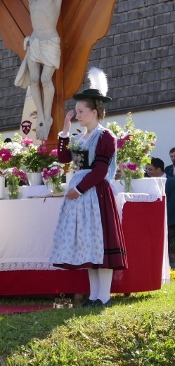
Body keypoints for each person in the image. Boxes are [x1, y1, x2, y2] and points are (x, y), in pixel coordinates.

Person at [0, 0, 101, 139]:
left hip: (50, 42)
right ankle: (41, 117)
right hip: (34, 41)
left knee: (45, 78)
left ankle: (47, 116)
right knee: (34, 79)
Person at [51, 68, 127, 307]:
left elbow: (101, 170)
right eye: (77, 112)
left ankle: (104, 297)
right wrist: (65, 132)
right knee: (90, 247)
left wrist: (80, 189)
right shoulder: (80, 138)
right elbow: (63, 158)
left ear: (94, 112)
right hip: (82, 194)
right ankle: (94, 296)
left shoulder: (105, 136)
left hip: (96, 193)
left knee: (100, 245)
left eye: (81, 111)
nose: (77, 115)